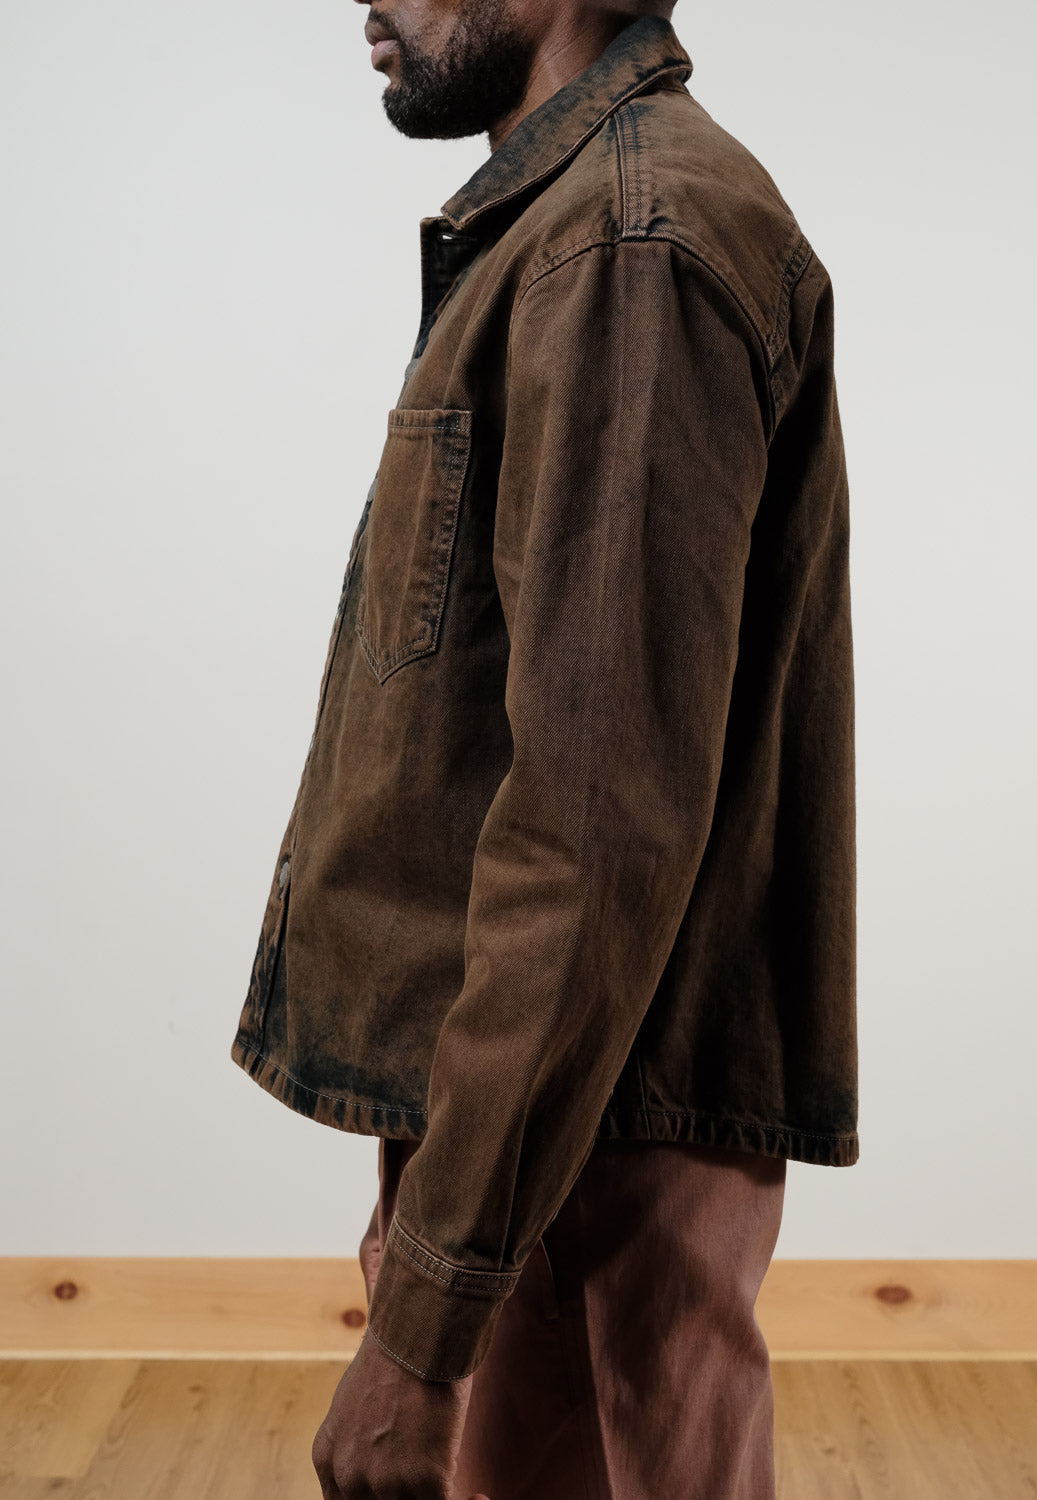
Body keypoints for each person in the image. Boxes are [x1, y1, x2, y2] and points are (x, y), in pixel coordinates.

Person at [228, 0, 859, 1495]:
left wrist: (420, 1330)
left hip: (581, 1154)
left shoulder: (628, 251)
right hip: (546, 1131)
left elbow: (592, 833)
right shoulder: (583, 226)